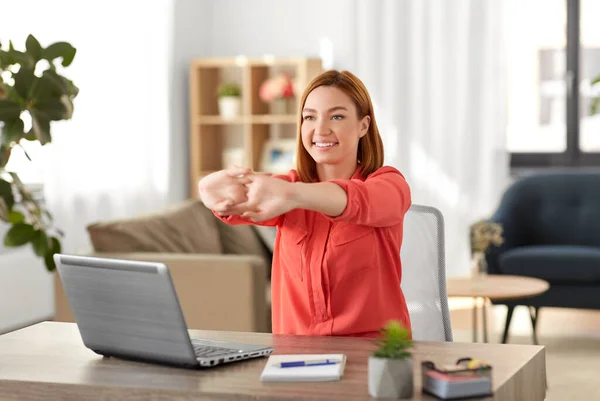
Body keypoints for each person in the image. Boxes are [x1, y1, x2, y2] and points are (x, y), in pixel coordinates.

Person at [198, 70, 412, 338]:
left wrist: (291, 194)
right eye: (310, 117)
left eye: (337, 116)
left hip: (374, 356)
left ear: (363, 126)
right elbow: (236, 200)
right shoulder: (289, 186)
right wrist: (210, 190)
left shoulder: (388, 185)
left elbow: (357, 200)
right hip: (296, 357)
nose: (320, 129)